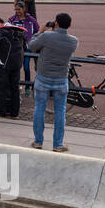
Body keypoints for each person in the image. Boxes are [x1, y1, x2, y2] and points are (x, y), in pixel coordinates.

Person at [28, 13, 79, 152]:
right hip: (61, 79)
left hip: (43, 76)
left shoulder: (46, 36)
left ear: (55, 23)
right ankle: (58, 144)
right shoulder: (74, 41)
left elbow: (31, 46)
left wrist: (40, 32)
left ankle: (38, 141)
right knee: (60, 111)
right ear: (69, 25)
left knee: (39, 108)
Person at [0, 19, 26, 118]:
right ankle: (15, 113)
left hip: (4, 63)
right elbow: (25, 46)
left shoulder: (2, 32)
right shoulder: (20, 32)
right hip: (17, 64)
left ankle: (2, 112)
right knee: (15, 88)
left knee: (2, 88)